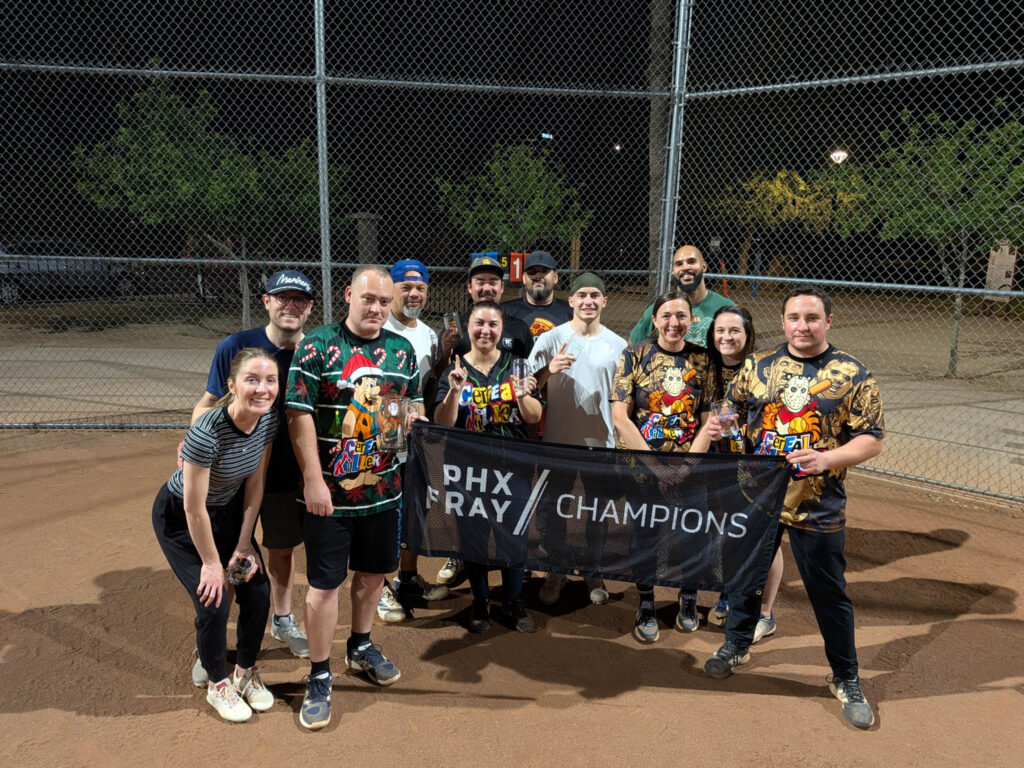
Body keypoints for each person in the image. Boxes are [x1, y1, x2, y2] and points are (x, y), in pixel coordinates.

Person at [703, 285, 884, 730]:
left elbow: (872, 439)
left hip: (817, 503)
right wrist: (722, 421)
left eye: (812, 318)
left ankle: (846, 676)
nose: (802, 326)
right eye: (794, 318)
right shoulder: (758, 365)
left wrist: (827, 458)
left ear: (828, 322)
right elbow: (731, 406)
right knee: (746, 576)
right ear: (783, 321)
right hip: (758, 496)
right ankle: (737, 643)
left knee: (828, 592)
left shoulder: (853, 374)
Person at [286, 266, 424, 730]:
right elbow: (298, 414)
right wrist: (313, 480)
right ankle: (319, 674)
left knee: (372, 576)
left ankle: (360, 645)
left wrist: (414, 417)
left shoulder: (402, 350)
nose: (377, 308)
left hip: (383, 491)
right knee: (324, 587)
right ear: (348, 295)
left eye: (384, 302)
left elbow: (411, 403)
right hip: (329, 495)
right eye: (369, 299)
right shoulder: (318, 344)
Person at [186, 270, 314, 684]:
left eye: (299, 300)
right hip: (230, 476)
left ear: (310, 307)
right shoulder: (236, 346)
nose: (290, 306)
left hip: (283, 474)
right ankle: (212, 640)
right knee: (223, 556)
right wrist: (194, 445)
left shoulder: (314, 350)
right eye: (282, 298)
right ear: (266, 302)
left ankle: (281, 619)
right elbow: (207, 403)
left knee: (279, 550)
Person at [153, 347, 278, 723]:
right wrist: (211, 564)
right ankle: (217, 684)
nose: (262, 389)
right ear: (232, 385)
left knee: (257, 591)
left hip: (227, 514)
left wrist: (244, 542)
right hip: (181, 519)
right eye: (252, 380)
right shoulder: (206, 432)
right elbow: (193, 508)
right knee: (214, 599)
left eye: (270, 380)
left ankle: (245, 672)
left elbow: (255, 484)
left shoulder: (267, 419)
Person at [610, 290, 718, 643]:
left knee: (691, 534)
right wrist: (655, 466)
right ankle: (646, 602)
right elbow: (620, 417)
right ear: (654, 320)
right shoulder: (634, 354)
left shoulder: (703, 359)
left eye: (682, 316)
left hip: (690, 465)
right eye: (667, 316)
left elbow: (708, 420)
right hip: (643, 465)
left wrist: (687, 466)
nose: (674, 323)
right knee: (645, 534)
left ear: (692, 320)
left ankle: (689, 597)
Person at [435, 301, 542, 634]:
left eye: (493, 324)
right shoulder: (455, 369)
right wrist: (454, 393)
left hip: (512, 466)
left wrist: (522, 395)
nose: (485, 330)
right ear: (468, 327)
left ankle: (514, 599)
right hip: (469, 469)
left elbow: (535, 416)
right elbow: (442, 422)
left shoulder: (516, 365)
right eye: (479, 323)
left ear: (501, 328)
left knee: (514, 533)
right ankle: (480, 599)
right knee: (474, 536)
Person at [528, 272, 627, 606]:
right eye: (582, 295)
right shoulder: (551, 339)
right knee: (554, 510)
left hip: (601, 444)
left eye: (595, 295)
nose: (588, 301)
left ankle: (592, 570)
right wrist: (549, 369)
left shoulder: (618, 345)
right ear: (570, 300)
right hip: (558, 441)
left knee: (597, 513)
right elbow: (525, 386)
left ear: (604, 301)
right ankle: (556, 570)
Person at [702, 306, 784, 640]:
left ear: (748, 334)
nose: (726, 337)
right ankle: (729, 594)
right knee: (726, 531)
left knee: (764, 536)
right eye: (720, 330)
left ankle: (765, 611)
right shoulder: (705, 366)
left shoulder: (766, 368)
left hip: (755, 464)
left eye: (734, 330)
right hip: (716, 461)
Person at [376, 259, 449, 623]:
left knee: (413, 510)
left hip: (414, 436)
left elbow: (429, 384)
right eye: (405, 287)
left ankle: (407, 578)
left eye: (420, 288)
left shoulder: (429, 334)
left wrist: (445, 354)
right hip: (380, 439)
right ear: (392, 290)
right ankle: (378, 587)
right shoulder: (379, 327)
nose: (414, 294)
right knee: (382, 514)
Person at [628, 245, 733, 345]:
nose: (685, 267)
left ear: (704, 266)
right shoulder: (660, 308)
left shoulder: (726, 307)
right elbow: (631, 348)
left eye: (691, 262)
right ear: (674, 271)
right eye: (679, 264)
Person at [501, 250, 573, 338]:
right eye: (532, 272)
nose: (538, 277)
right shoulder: (506, 312)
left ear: (555, 277)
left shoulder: (571, 313)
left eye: (544, 271)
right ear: (524, 278)